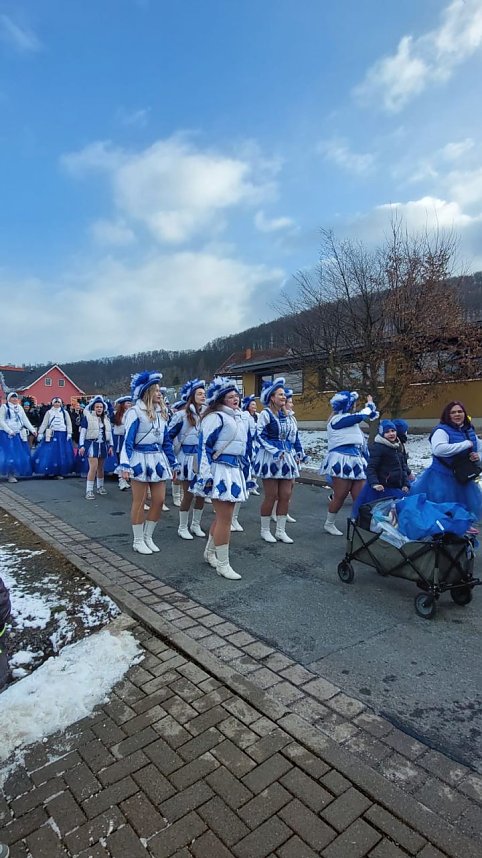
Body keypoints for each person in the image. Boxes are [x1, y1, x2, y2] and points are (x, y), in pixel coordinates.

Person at [192, 376, 251, 579]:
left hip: (233, 469)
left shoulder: (237, 417)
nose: (235, 399)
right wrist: (206, 475)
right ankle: (223, 564)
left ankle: (210, 553)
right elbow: (204, 447)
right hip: (219, 470)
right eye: (230, 396)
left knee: (222, 517)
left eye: (237, 396)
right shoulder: (215, 418)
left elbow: (243, 447)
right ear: (220, 399)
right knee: (225, 518)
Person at [119, 371, 178, 554]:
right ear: (147, 392)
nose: (160, 394)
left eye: (160, 390)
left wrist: (173, 462)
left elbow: (166, 441)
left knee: (159, 500)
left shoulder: (162, 414)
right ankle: (137, 540)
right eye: (156, 390)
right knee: (140, 500)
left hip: (157, 459)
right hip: (139, 458)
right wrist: (125, 464)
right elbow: (128, 440)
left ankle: (147, 536)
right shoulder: (135, 412)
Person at [410, 401, 482, 519]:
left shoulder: (469, 430)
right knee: (442, 511)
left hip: (463, 478)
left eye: (460, 411)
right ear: (447, 415)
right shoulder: (441, 430)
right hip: (441, 479)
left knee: (464, 514)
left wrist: (478, 456)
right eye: (453, 412)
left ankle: (460, 532)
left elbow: (479, 446)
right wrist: (465, 444)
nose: (457, 414)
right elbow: (439, 449)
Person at [320, 390, 379, 535]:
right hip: (341, 459)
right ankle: (329, 523)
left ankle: (359, 526)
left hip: (356, 460)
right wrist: (369, 405)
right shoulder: (337, 420)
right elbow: (361, 416)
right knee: (340, 495)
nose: (354, 407)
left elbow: (360, 441)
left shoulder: (351, 421)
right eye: (352, 404)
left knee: (360, 497)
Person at [253, 377, 300, 544]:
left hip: (286, 458)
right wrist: (274, 450)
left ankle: (281, 530)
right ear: (271, 397)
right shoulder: (265, 414)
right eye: (280, 394)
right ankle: (265, 530)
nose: (283, 397)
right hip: (270, 459)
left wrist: (298, 452)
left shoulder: (287, 416)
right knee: (271, 496)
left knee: (285, 495)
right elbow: (259, 436)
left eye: (284, 395)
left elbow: (294, 437)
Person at [168, 378, 207, 539]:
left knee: (202, 494)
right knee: (189, 494)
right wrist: (173, 459)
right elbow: (169, 436)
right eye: (199, 394)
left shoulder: (207, 414)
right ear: (192, 396)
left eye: (204, 394)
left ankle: (195, 524)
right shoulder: (181, 415)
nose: (203, 396)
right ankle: (182, 526)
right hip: (187, 458)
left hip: (201, 458)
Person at [352, 419, 410, 518]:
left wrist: (405, 484)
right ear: (381, 433)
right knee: (381, 514)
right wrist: (375, 483)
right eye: (387, 432)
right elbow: (371, 468)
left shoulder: (397, 447)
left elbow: (402, 468)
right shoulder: (379, 448)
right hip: (382, 489)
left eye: (393, 431)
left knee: (396, 513)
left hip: (396, 487)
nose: (391, 434)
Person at [78, 396, 114, 500]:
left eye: (101, 407)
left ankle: (100, 487)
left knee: (100, 468)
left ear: (104, 408)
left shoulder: (106, 419)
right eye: (97, 407)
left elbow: (109, 433)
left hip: (103, 445)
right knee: (93, 467)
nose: (99, 409)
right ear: (93, 408)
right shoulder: (88, 418)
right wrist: (81, 446)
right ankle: (89, 490)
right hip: (91, 444)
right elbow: (83, 433)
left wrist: (111, 445)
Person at [32, 397, 75, 478]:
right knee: (49, 453)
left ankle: (58, 472)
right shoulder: (49, 412)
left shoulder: (65, 412)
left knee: (61, 453)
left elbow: (69, 423)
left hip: (62, 434)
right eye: (55, 402)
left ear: (61, 403)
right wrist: (40, 432)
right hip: (51, 434)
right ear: (52, 403)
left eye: (58, 402)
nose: (57, 404)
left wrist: (69, 433)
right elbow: (44, 423)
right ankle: (47, 470)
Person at [0, 392, 37, 482]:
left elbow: (25, 420)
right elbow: (1, 420)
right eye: (12, 398)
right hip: (6, 434)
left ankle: (12, 473)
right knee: (8, 454)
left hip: (17, 433)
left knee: (17, 454)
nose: (15, 399)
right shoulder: (4, 407)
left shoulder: (19, 408)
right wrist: (9, 430)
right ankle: (9, 474)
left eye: (16, 398)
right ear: (9, 399)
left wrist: (32, 429)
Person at [112, 396, 133, 490]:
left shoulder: (132, 414)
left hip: (128, 438)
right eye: (127, 403)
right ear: (123, 405)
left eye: (130, 403)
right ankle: (121, 480)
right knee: (120, 458)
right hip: (118, 438)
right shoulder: (116, 414)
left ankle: (127, 478)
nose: (129, 404)